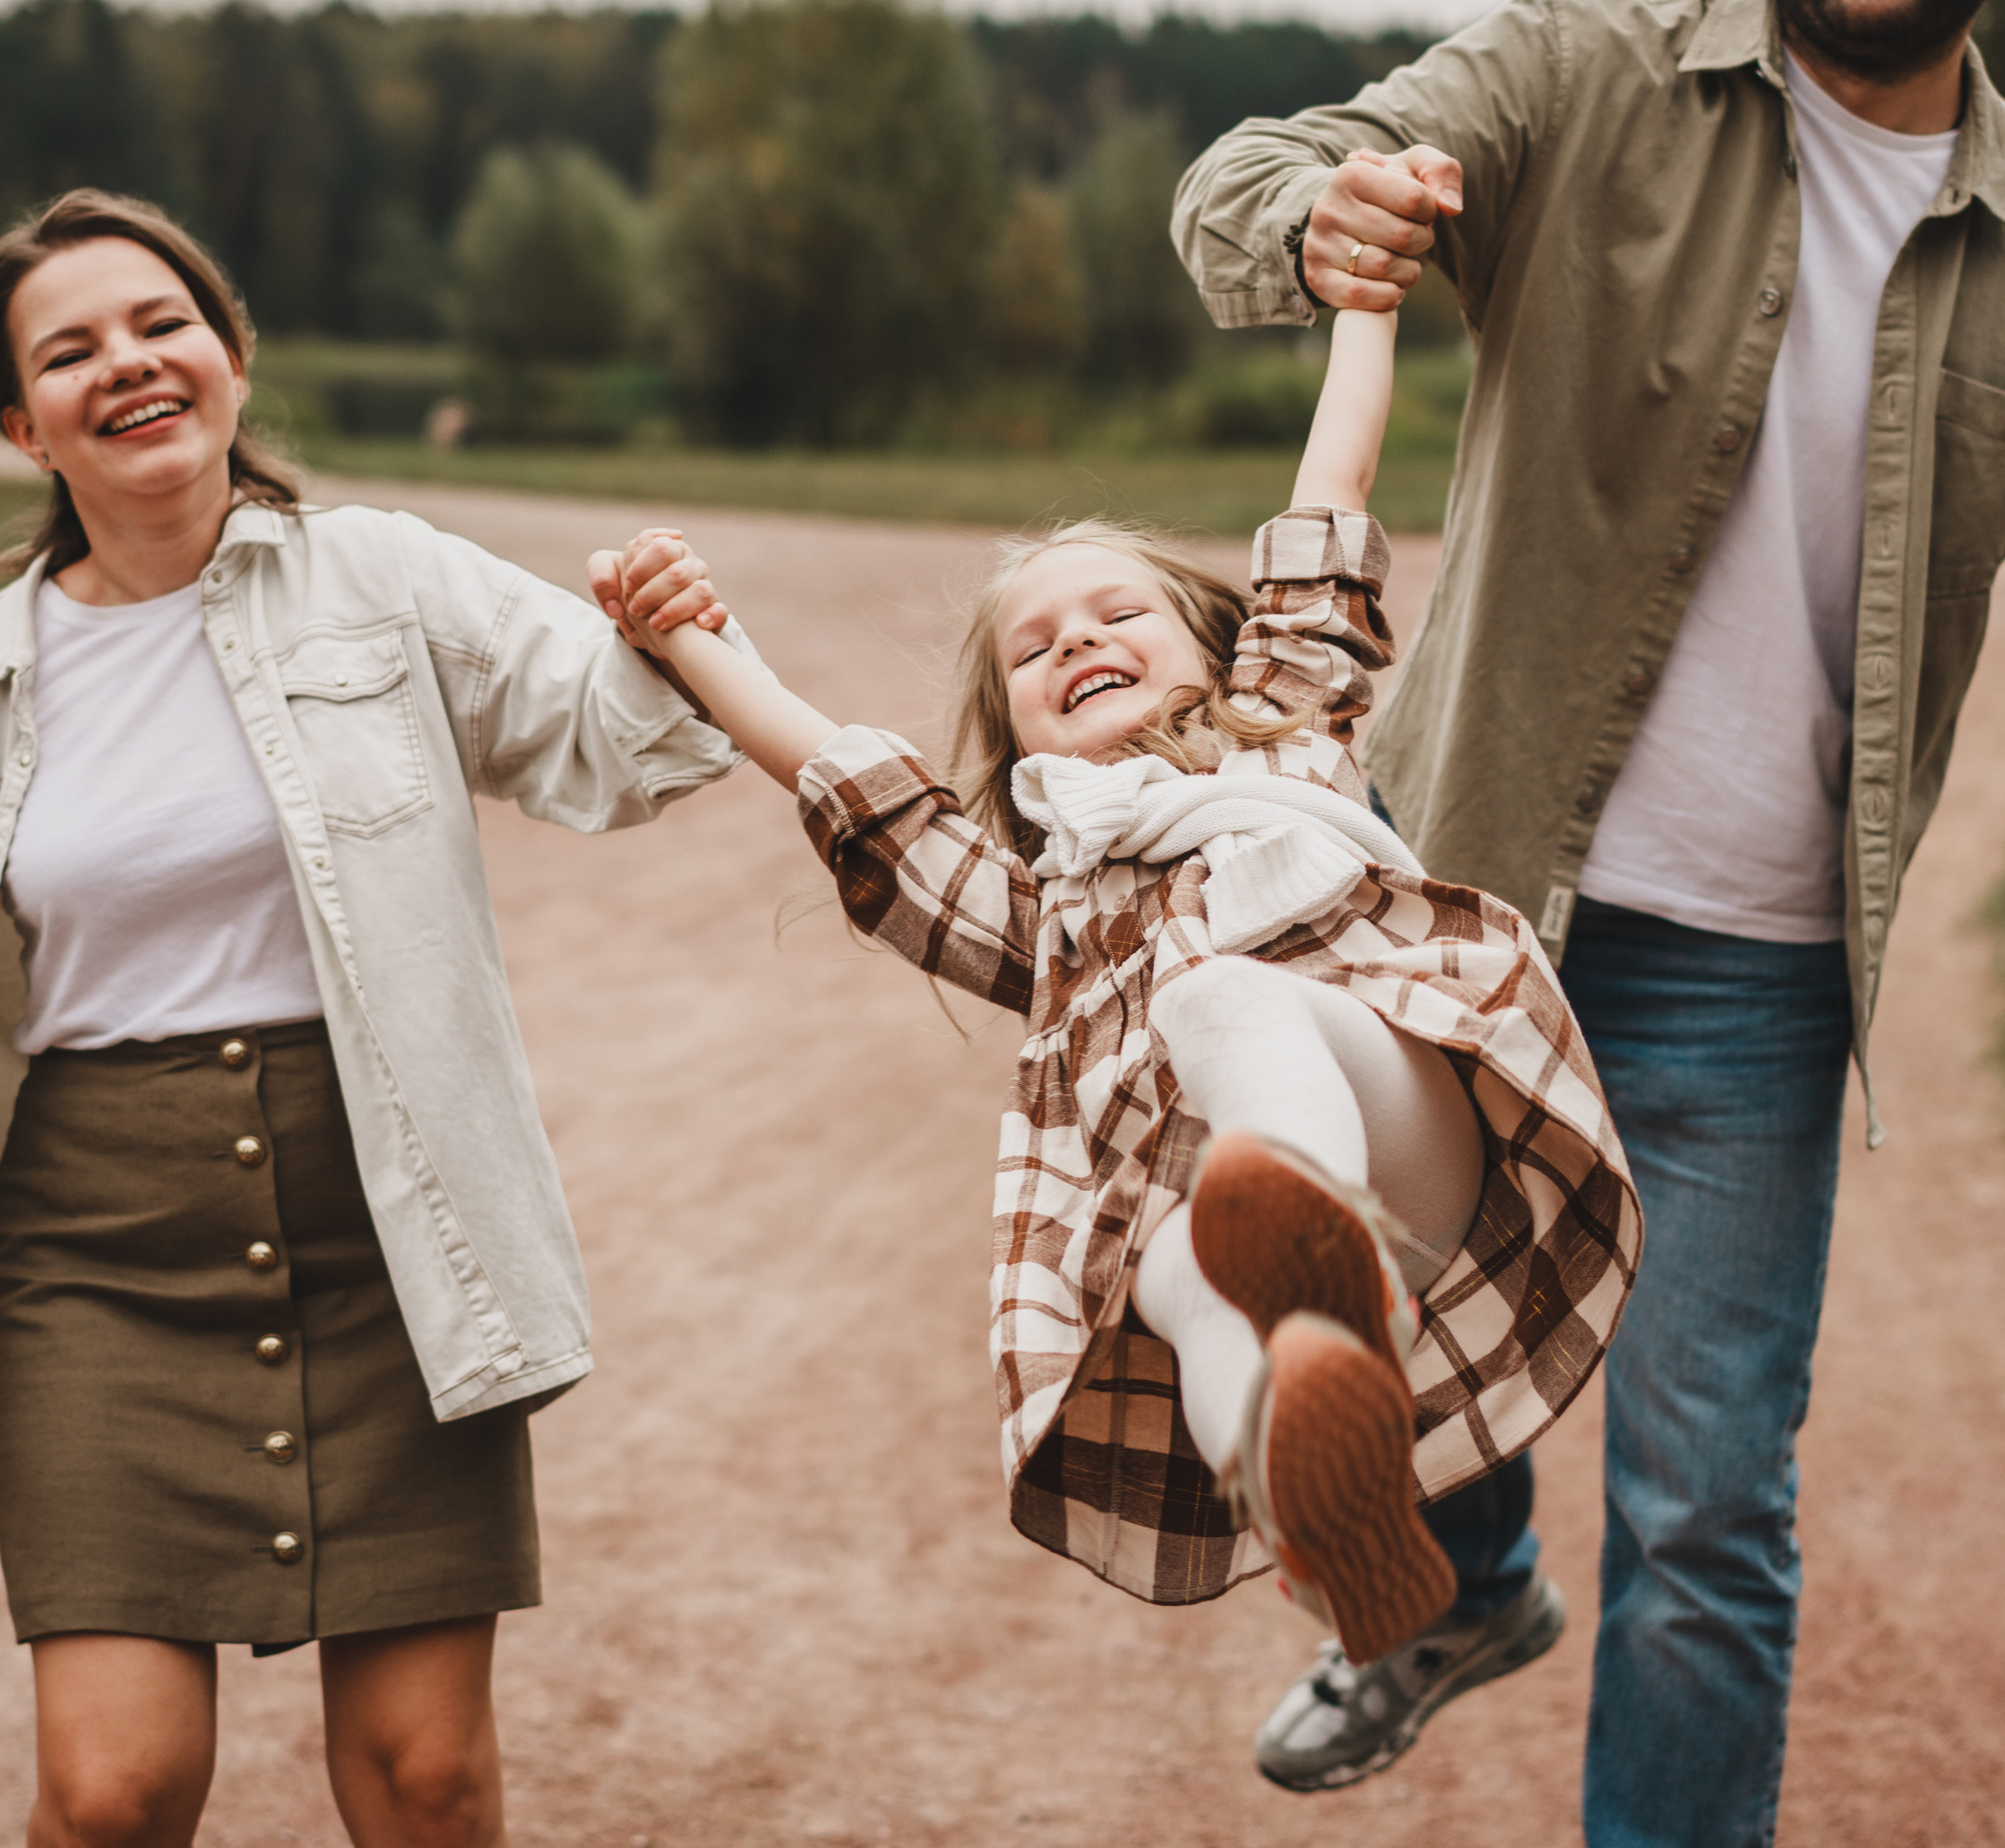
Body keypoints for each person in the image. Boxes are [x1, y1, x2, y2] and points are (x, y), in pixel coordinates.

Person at [1170, 0, 2005, 1848]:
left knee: (1712, 1508)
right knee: (1322, 1260)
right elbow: (1265, 174)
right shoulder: (1591, 75)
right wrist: (1322, 222)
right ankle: (1458, 1579)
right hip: (1472, 903)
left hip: (1746, 988)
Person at [0, 189, 750, 1848]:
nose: (132, 364)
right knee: (115, 1785)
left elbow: (624, 746)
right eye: (76, 350)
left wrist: (667, 625)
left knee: (428, 1774)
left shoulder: (380, 583)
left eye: (168, 322)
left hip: (383, 1224)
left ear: (231, 355)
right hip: (92, 1254)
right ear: (11, 414)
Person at [594, 300, 1639, 1714]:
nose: (1073, 641)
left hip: (1399, 1121)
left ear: (1213, 643)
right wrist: (684, 631)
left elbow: (1331, 487)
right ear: (1013, 728)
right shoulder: (1037, 903)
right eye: (1032, 651)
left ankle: (1327, 1242)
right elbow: (823, 756)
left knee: (1220, 1000)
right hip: (1208, 1210)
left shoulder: (1288, 719)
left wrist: (1369, 310)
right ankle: (1319, 1511)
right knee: (1178, 1289)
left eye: (1116, 613)